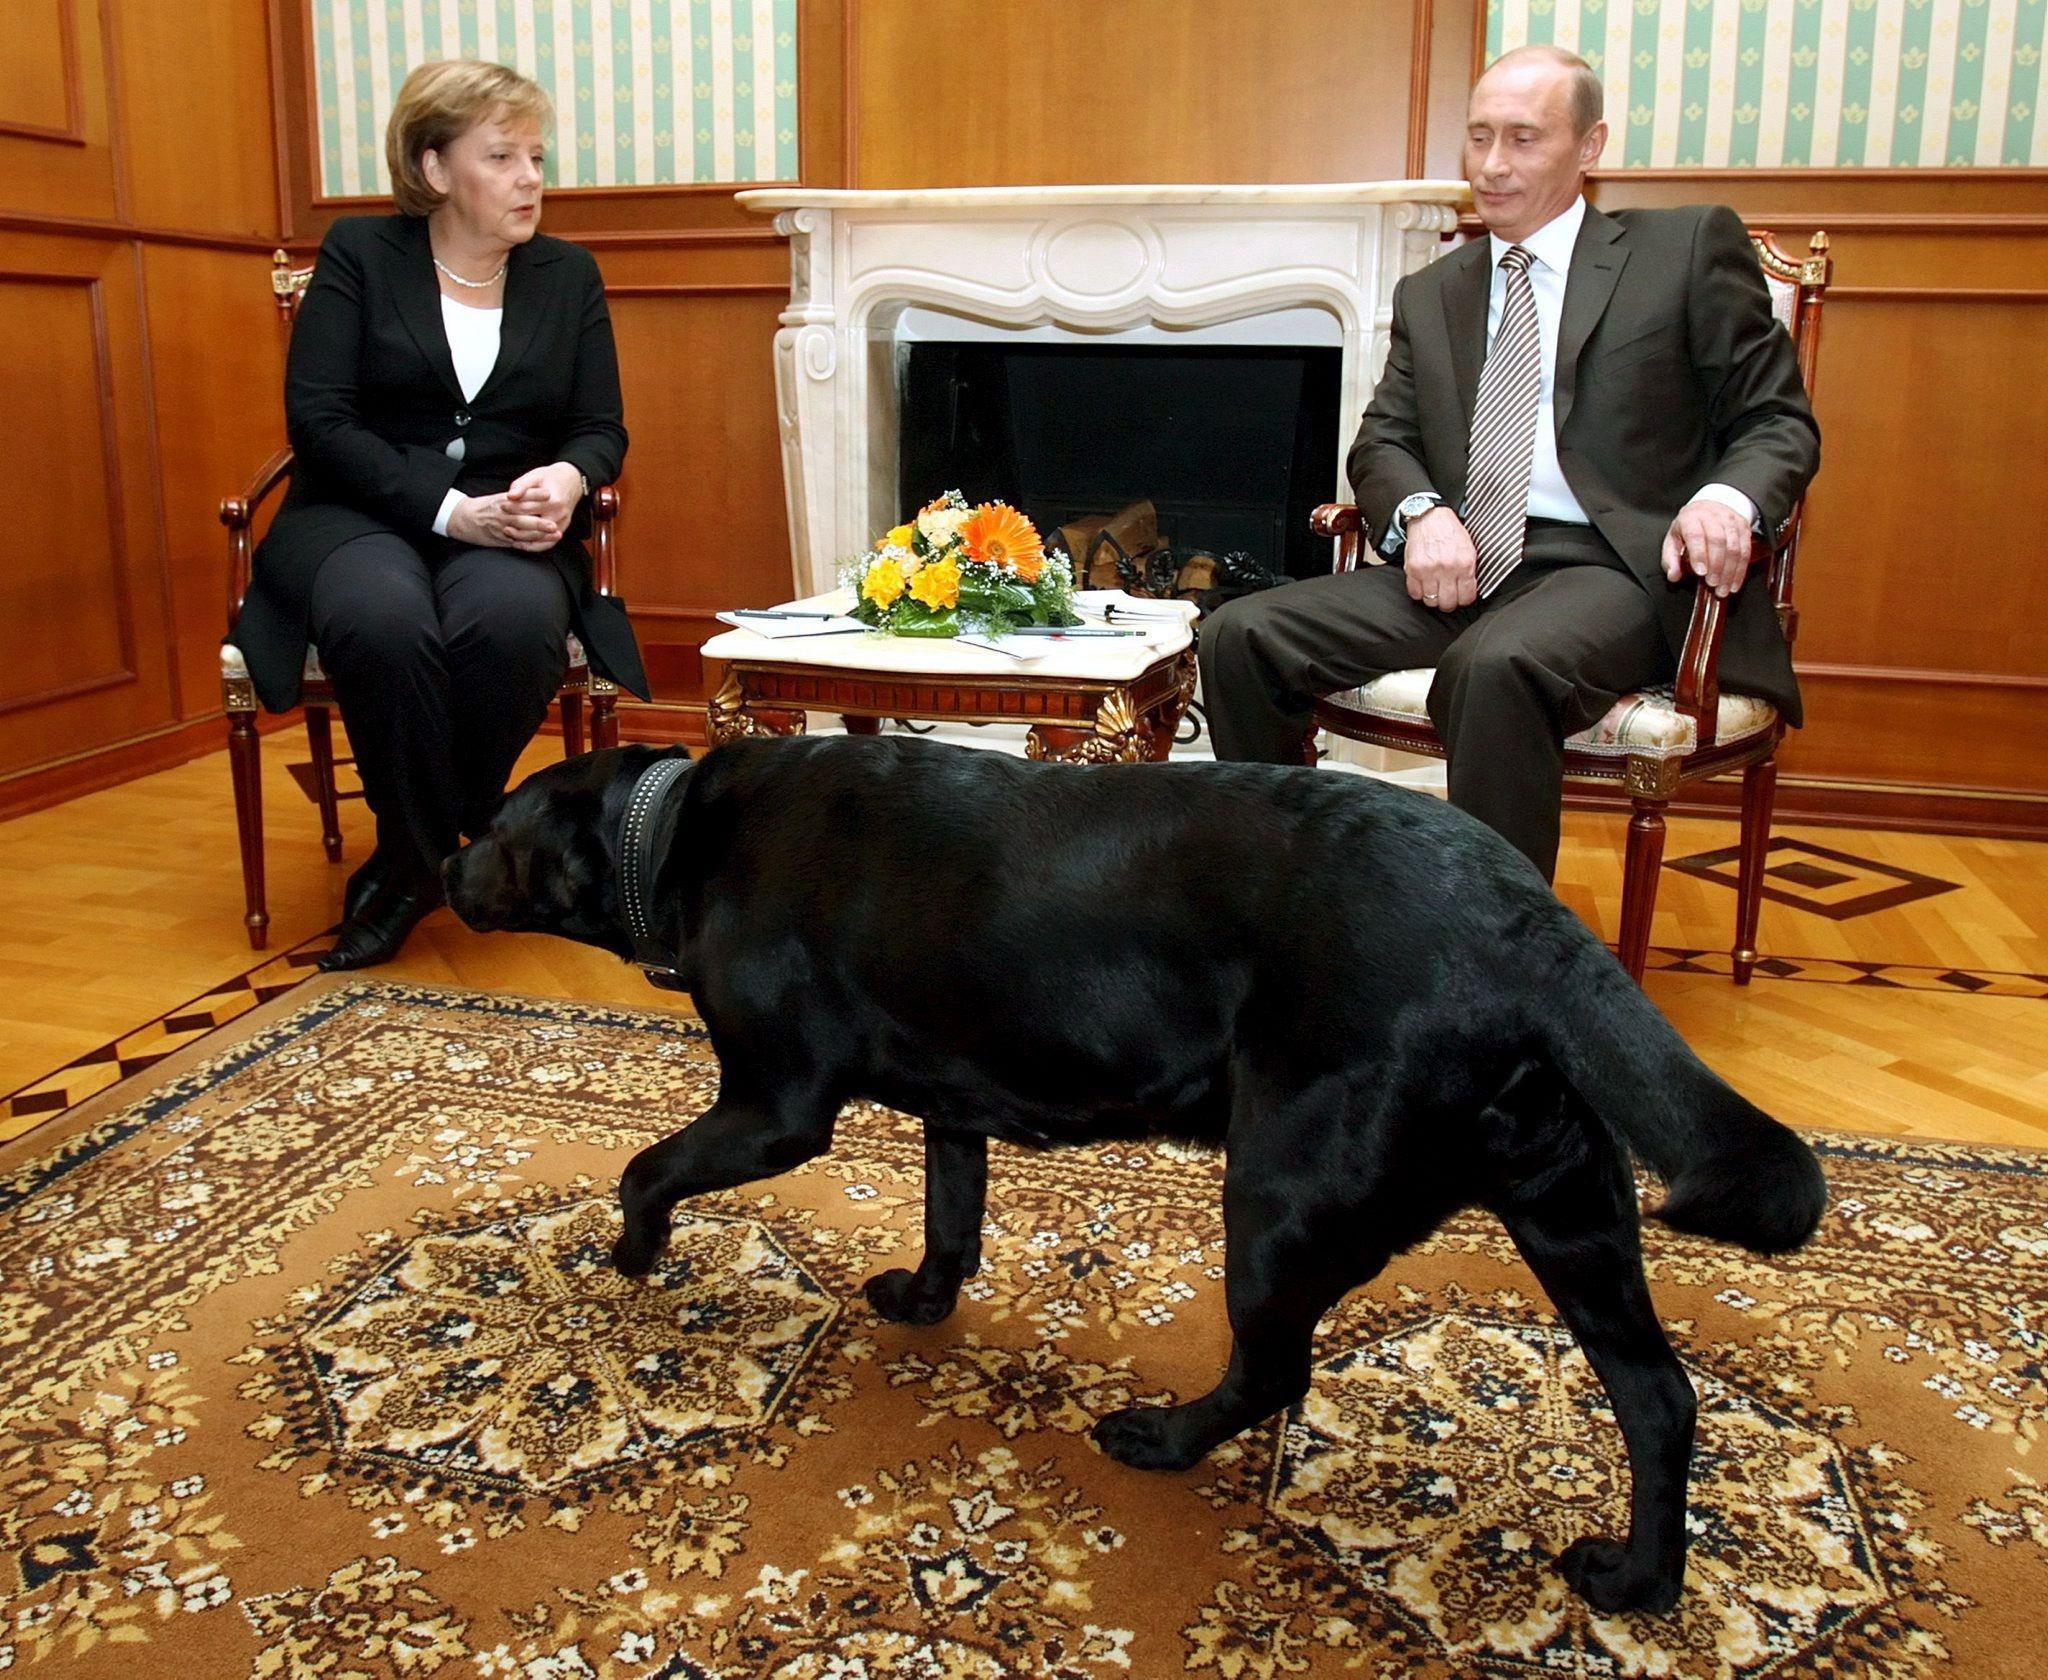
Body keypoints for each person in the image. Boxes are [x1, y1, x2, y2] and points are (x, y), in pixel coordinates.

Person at [1200, 44, 1819, 882]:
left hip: (1615, 570)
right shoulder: (1437, 289)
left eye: (1524, 139)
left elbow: (1777, 420)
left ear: (1589, 147)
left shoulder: (1679, 252)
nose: (1492, 166)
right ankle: (1286, 889)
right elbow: (1383, 438)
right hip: (1462, 565)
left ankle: (1502, 949)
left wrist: (1724, 500)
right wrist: (1421, 515)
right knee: (1242, 634)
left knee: (1496, 665)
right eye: (1479, 137)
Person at [233, 60, 649, 969]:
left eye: (535, 156)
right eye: (501, 156)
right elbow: (320, 421)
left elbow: (599, 426)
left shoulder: (567, 276)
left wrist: (571, 480)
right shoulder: (358, 255)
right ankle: (435, 855)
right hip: (357, 516)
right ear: (433, 170)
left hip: (505, 527)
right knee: (382, 616)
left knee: (511, 619)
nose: (530, 177)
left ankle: (406, 858)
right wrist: (449, 511)